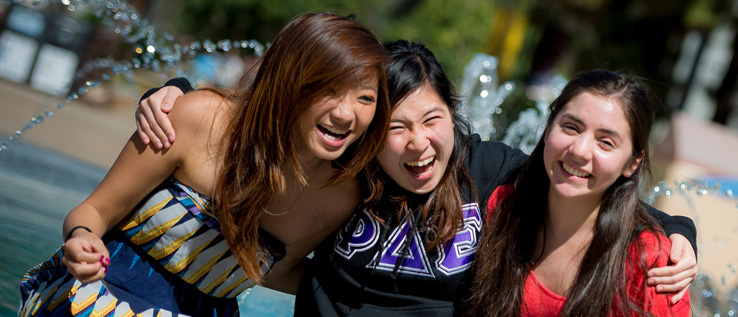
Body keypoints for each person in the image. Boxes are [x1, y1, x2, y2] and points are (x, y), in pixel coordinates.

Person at [136, 41, 698, 315]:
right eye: (395, 126)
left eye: (432, 120)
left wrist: (680, 230)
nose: (417, 143)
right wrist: (175, 91)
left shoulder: (489, 171)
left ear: (452, 116)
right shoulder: (344, 171)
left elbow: (586, 184)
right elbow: (260, 117)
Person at [19, 12, 390, 316]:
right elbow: (95, 210)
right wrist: (82, 238)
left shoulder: (338, 196)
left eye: (365, 97)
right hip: (98, 302)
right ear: (288, 81)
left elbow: (277, 275)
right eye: (327, 89)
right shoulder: (199, 119)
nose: (345, 113)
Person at [467, 69, 691, 316]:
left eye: (606, 142)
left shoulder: (651, 264)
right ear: (549, 125)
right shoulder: (499, 207)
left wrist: (681, 227)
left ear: (632, 163)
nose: (580, 150)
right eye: (571, 127)